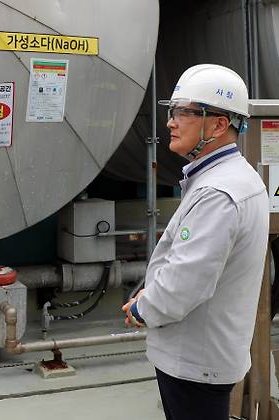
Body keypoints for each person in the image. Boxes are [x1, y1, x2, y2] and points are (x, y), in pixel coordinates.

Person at [122, 64, 269, 420]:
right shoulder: (231, 178)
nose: (171, 122)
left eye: (184, 113)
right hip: (204, 353)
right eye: (172, 112)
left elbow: (184, 283)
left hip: (194, 360)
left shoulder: (219, 192)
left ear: (219, 124)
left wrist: (144, 309)